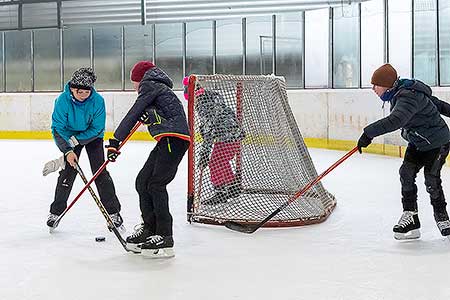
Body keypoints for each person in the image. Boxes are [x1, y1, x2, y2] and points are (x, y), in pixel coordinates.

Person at [106, 61, 190, 258]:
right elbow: (156, 113)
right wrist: (152, 114)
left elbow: (133, 113)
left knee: (156, 184)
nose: (134, 87)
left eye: (134, 82)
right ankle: (149, 229)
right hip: (167, 139)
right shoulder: (158, 87)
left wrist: (114, 141)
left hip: (174, 139)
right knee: (142, 182)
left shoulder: (149, 85)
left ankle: (164, 235)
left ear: (139, 79)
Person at [357, 63, 450, 240]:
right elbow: (437, 104)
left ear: (385, 84)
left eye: (375, 85)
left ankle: (442, 217)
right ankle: (411, 218)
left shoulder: (408, 97)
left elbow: (396, 120)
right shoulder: (400, 92)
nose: (373, 89)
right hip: (418, 142)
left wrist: (368, 134)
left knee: (431, 179)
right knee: (406, 173)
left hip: (437, 142)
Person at [47, 67, 123, 230]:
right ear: (73, 89)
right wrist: (68, 150)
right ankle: (56, 212)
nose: (83, 96)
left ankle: (113, 212)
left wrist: (77, 140)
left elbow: (97, 128)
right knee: (68, 171)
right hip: (68, 136)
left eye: (86, 93)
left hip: (92, 137)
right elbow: (57, 128)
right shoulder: (62, 100)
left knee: (100, 172)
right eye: (79, 92)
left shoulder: (97, 100)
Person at [185, 82, 245, 205]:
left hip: (226, 137)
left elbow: (208, 132)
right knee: (222, 161)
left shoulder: (203, 106)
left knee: (215, 163)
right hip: (235, 135)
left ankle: (220, 194)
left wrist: (204, 155)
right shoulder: (213, 97)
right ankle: (233, 187)